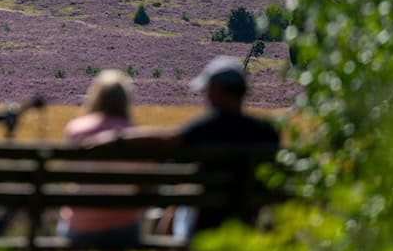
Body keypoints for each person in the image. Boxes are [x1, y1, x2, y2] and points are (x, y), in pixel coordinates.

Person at [87, 56, 279, 237]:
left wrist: (117, 138)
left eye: (208, 90)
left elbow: (168, 140)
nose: (206, 96)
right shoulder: (267, 132)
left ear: (218, 91)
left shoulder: (206, 128)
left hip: (204, 223)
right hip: (247, 223)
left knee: (179, 201)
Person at [59, 70, 142, 251]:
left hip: (80, 228)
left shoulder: (76, 131)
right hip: (125, 229)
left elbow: (70, 174)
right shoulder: (136, 135)